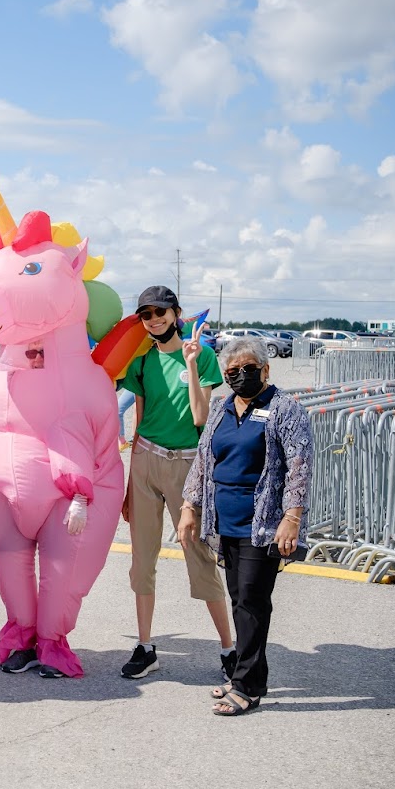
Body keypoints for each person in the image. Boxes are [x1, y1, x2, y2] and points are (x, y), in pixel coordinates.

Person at [178, 336, 311, 716]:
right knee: (241, 601)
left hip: (264, 524)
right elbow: (205, 459)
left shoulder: (285, 409)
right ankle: (249, 676)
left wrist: (292, 517)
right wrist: (190, 506)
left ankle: (246, 687)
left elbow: (300, 467)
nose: (240, 376)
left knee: (252, 602)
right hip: (227, 523)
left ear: (266, 370)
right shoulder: (221, 407)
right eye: (232, 372)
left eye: (248, 369)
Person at [120, 286, 234, 680]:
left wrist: (189, 363)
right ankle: (146, 645)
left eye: (160, 311)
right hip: (146, 462)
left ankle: (228, 648)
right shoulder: (141, 361)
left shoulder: (201, 355)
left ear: (176, 313)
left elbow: (201, 417)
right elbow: (139, 417)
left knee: (198, 553)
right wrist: (128, 486)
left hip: (188, 465)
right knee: (142, 557)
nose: (154, 319)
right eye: (146, 314)